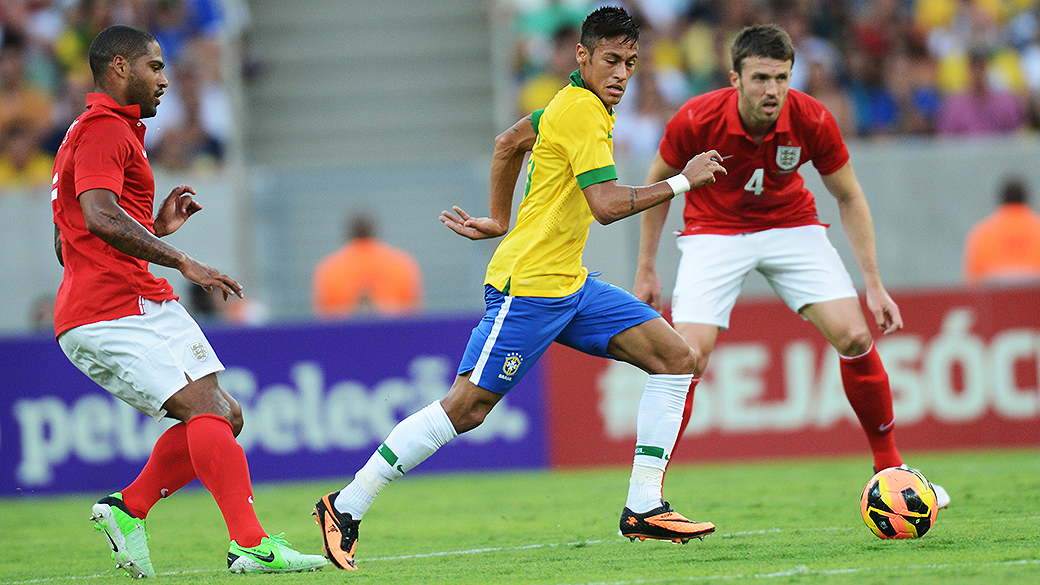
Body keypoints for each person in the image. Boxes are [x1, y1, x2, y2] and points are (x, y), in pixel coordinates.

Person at [313, 6, 727, 571]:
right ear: (582, 57)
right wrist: (683, 180)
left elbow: (510, 142)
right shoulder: (581, 111)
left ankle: (644, 506)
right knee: (467, 408)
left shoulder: (568, 103)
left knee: (677, 359)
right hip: (527, 288)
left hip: (570, 285)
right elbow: (605, 207)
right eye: (611, 60)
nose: (621, 74)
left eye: (630, 63)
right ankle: (346, 504)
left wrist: (498, 217)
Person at [633, 24, 951, 508]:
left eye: (781, 77)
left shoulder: (812, 118)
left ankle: (891, 469)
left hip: (791, 225)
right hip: (713, 230)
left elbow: (848, 195)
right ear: (735, 78)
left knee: (855, 336)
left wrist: (874, 284)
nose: (773, 90)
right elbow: (659, 183)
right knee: (686, 360)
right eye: (760, 78)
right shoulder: (697, 117)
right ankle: (647, 500)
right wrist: (646, 267)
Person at [50, 25, 327, 577]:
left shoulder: (89, 131)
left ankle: (128, 510)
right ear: (119, 67)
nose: (164, 79)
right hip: (115, 306)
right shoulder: (106, 129)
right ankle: (248, 542)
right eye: (154, 67)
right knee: (208, 411)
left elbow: (69, 240)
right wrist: (181, 260)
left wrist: (154, 228)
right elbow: (99, 218)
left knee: (225, 414)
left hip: (123, 299)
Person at [312, 210, 424, 318]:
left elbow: (323, 315)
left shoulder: (329, 268)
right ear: (374, 231)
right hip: (394, 334)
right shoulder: (401, 263)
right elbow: (414, 310)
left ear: (348, 233)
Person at [962, 176, 1040, 285]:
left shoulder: (983, 233)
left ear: (1000, 199)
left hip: (995, 298)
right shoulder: (1037, 228)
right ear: (1027, 199)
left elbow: (972, 281)